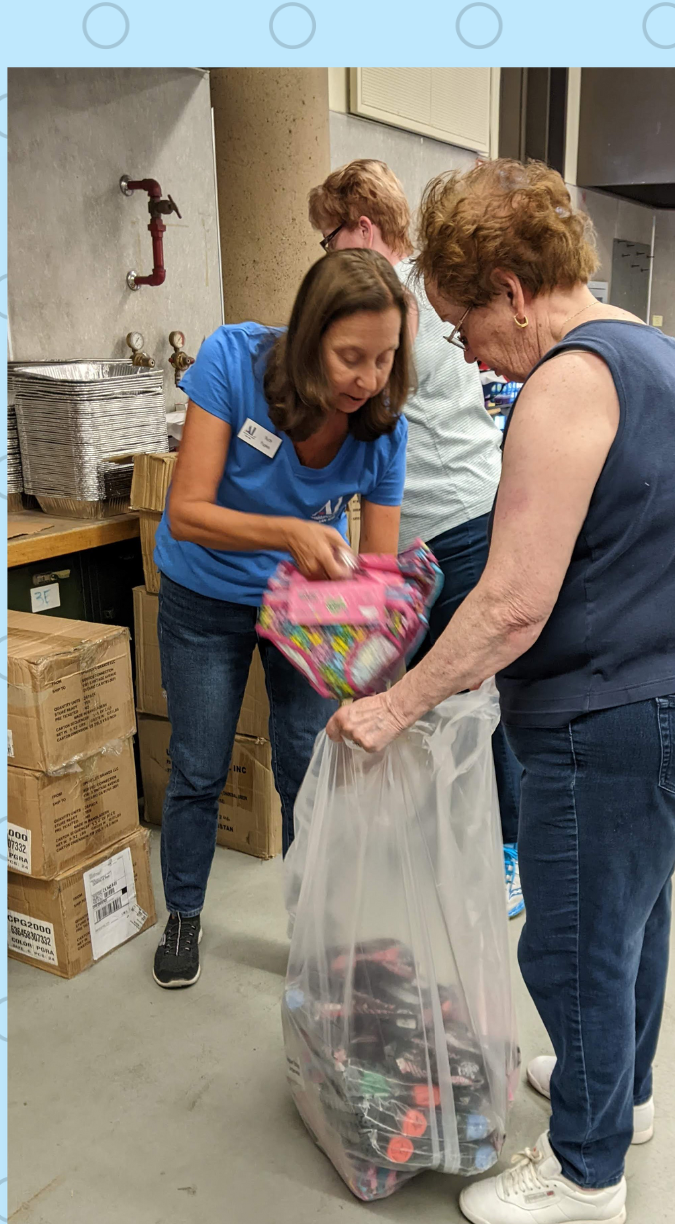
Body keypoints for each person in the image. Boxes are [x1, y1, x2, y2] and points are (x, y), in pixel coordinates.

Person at [324, 160, 675, 1224]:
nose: (463, 350)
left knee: (566, 943)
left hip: (618, 712)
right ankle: (622, 1094)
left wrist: (395, 702)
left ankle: (581, 1173)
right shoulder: (645, 347)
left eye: (466, 322)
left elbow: (510, 602)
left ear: (512, 289)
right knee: (630, 918)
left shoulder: (567, 381)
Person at [148, 247, 409, 990]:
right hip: (206, 595)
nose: (368, 378)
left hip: (309, 610)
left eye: (386, 359)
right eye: (350, 356)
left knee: (311, 770)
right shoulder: (233, 361)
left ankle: (314, 932)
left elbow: (377, 567)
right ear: (307, 340)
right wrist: (291, 533)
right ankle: (185, 914)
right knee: (199, 764)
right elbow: (189, 511)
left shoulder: (384, 428)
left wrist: (376, 653)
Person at [310, 159, 525, 918]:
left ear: (362, 229)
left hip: (454, 527)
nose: (326, 254)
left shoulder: (401, 305)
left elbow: (367, 410)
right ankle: (459, 840)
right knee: (444, 697)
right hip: (435, 527)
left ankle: (503, 852)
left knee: (463, 693)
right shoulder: (421, 298)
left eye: (329, 238)